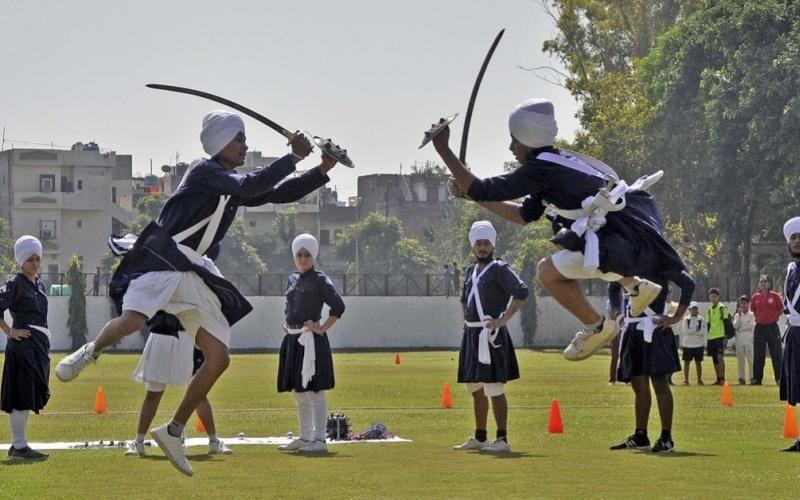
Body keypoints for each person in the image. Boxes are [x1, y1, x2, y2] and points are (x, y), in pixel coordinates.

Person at [55, 110, 337, 476]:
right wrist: (294, 156)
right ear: (220, 142)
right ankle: (90, 352)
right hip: (163, 257)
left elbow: (276, 193)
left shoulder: (230, 184)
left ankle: (173, 431)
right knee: (131, 321)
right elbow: (251, 186)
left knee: (218, 357)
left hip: (194, 270)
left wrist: (321, 171)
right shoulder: (203, 171)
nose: (245, 146)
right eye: (240, 139)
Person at [430, 98, 685, 362]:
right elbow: (522, 215)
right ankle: (635, 286)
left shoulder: (542, 168)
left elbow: (484, 188)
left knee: (547, 271)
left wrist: (444, 150)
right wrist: (473, 195)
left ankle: (597, 326)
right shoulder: (558, 161)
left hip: (620, 246)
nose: (510, 147)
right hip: (624, 241)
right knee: (569, 240)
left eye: (514, 140)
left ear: (528, 139)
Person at [452, 221, 528, 453]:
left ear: (492, 245)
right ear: (473, 246)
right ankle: (480, 436)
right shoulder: (469, 271)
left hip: (490, 334)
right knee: (475, 388)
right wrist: (465, 319)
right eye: (478, 244)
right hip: (472, 334)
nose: (482, 248)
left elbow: (521, 292)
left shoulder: (499, 268)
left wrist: (502, 320)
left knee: (494, 388)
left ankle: (502, 439)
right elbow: (465, 299)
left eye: (486, 243)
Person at [609, 265, 695, 453]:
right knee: (638, 385)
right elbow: (613, 284)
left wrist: (675, 317)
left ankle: (666, 437)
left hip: (655, 327)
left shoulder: (659, 262)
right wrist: (617, 312)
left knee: (660, 383)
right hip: (633, 328)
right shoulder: (629, 261)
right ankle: (641, 435)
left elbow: (688, 283)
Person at [124, 311, 232, 457]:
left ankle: (214, 441)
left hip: (186, 337)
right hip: (161, 336)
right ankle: (138, 442)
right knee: (153, 394)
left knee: (199, 394)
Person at [277, 234, 345, 454]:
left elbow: (338, 306)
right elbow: (290, 306)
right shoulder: (292, 279)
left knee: (314, 390)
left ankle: (319, 439)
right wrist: (287, 323)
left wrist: (322, 328)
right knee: (299, 391)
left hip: (311, 341)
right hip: (293, 339)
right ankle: (305, 436)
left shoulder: (319, 279)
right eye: (299, 254)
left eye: (307, 254)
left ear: (313, 256)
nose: (303, 258)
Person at [1, 236, 51, 460]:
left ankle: (18, 444)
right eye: (30, 259)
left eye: (38, 258)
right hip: (23, 348)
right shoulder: (15, 283)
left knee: (29, 395)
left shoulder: (39, 283)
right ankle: (19, 446)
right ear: (21, 261)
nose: (35, 263)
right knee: (21, 395)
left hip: (38, 348)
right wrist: (10, 331)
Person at [779, 217, 800, 452]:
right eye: (793, 238)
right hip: (795, 333)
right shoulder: (790, 270)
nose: (797, 241)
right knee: (797, 387)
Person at [751, 274, 784, 385]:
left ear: (769, 283)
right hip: (760, 327)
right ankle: (757, 379)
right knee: (758, 353)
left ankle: (779, 378)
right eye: (761, 281)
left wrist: (773, 317)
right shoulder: (755, 297)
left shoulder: (775, 296)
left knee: (776, 353)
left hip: (772, 327)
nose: (763, 283)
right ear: (759, 284)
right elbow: (754, 310)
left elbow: (780, 309)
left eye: (765, 281)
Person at [705, 288, 731, 385]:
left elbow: (727, 322)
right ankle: (718, 378)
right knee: (714, 358)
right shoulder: (709, 310)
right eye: (711, 296)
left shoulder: (722, 308)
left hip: (720, 336)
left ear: (718, 297)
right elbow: (708, 324)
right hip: (712, 337)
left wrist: (726, 336)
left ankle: (722, 378)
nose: (713, 298)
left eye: (715, 296)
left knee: (720, 357)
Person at [680, 301, 705, 385]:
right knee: (687, 362)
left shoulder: (701, 319)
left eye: (695, 308)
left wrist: (693, 331)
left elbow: (702, 332)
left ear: (697, 309)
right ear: (689, 309)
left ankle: (699, 380)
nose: (694, 310)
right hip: (687, 344)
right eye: (692, 308)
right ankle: (686, 380)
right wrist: (696, 330)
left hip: (698, 344)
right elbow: (686, 332)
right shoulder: (686, 319)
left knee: (698, 362)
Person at [733, 295, 756, 385]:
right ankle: (741, 378)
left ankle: (752, 377)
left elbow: (751, 326)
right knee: (740, 360)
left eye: (744, 303)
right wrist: (739, 316)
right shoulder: (737, 315)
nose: (742, 305)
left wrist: (741, 328)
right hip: (739, 339)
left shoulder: (752, 314)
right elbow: (735, 326)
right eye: (741, 303)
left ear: (749, 304)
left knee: (750, 359)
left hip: (749, 338)